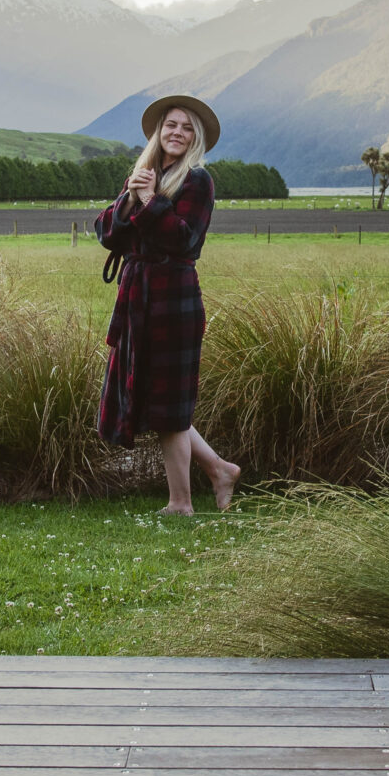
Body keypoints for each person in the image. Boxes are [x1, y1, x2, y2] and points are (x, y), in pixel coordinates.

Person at [94, 95, 239, 514]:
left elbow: (184, 239)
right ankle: (219, 470)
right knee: (157, 399)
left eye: (186, 127)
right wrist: (130, 199)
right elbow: (107, 233)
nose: (177, 132)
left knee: (171, 403)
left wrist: (151, 200)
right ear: (159, 131)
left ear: (196, 138)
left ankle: (181, 502)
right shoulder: (144, 174)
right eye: (171, 125)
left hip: (174, 299)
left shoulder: (198, 180)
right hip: (137, 298)